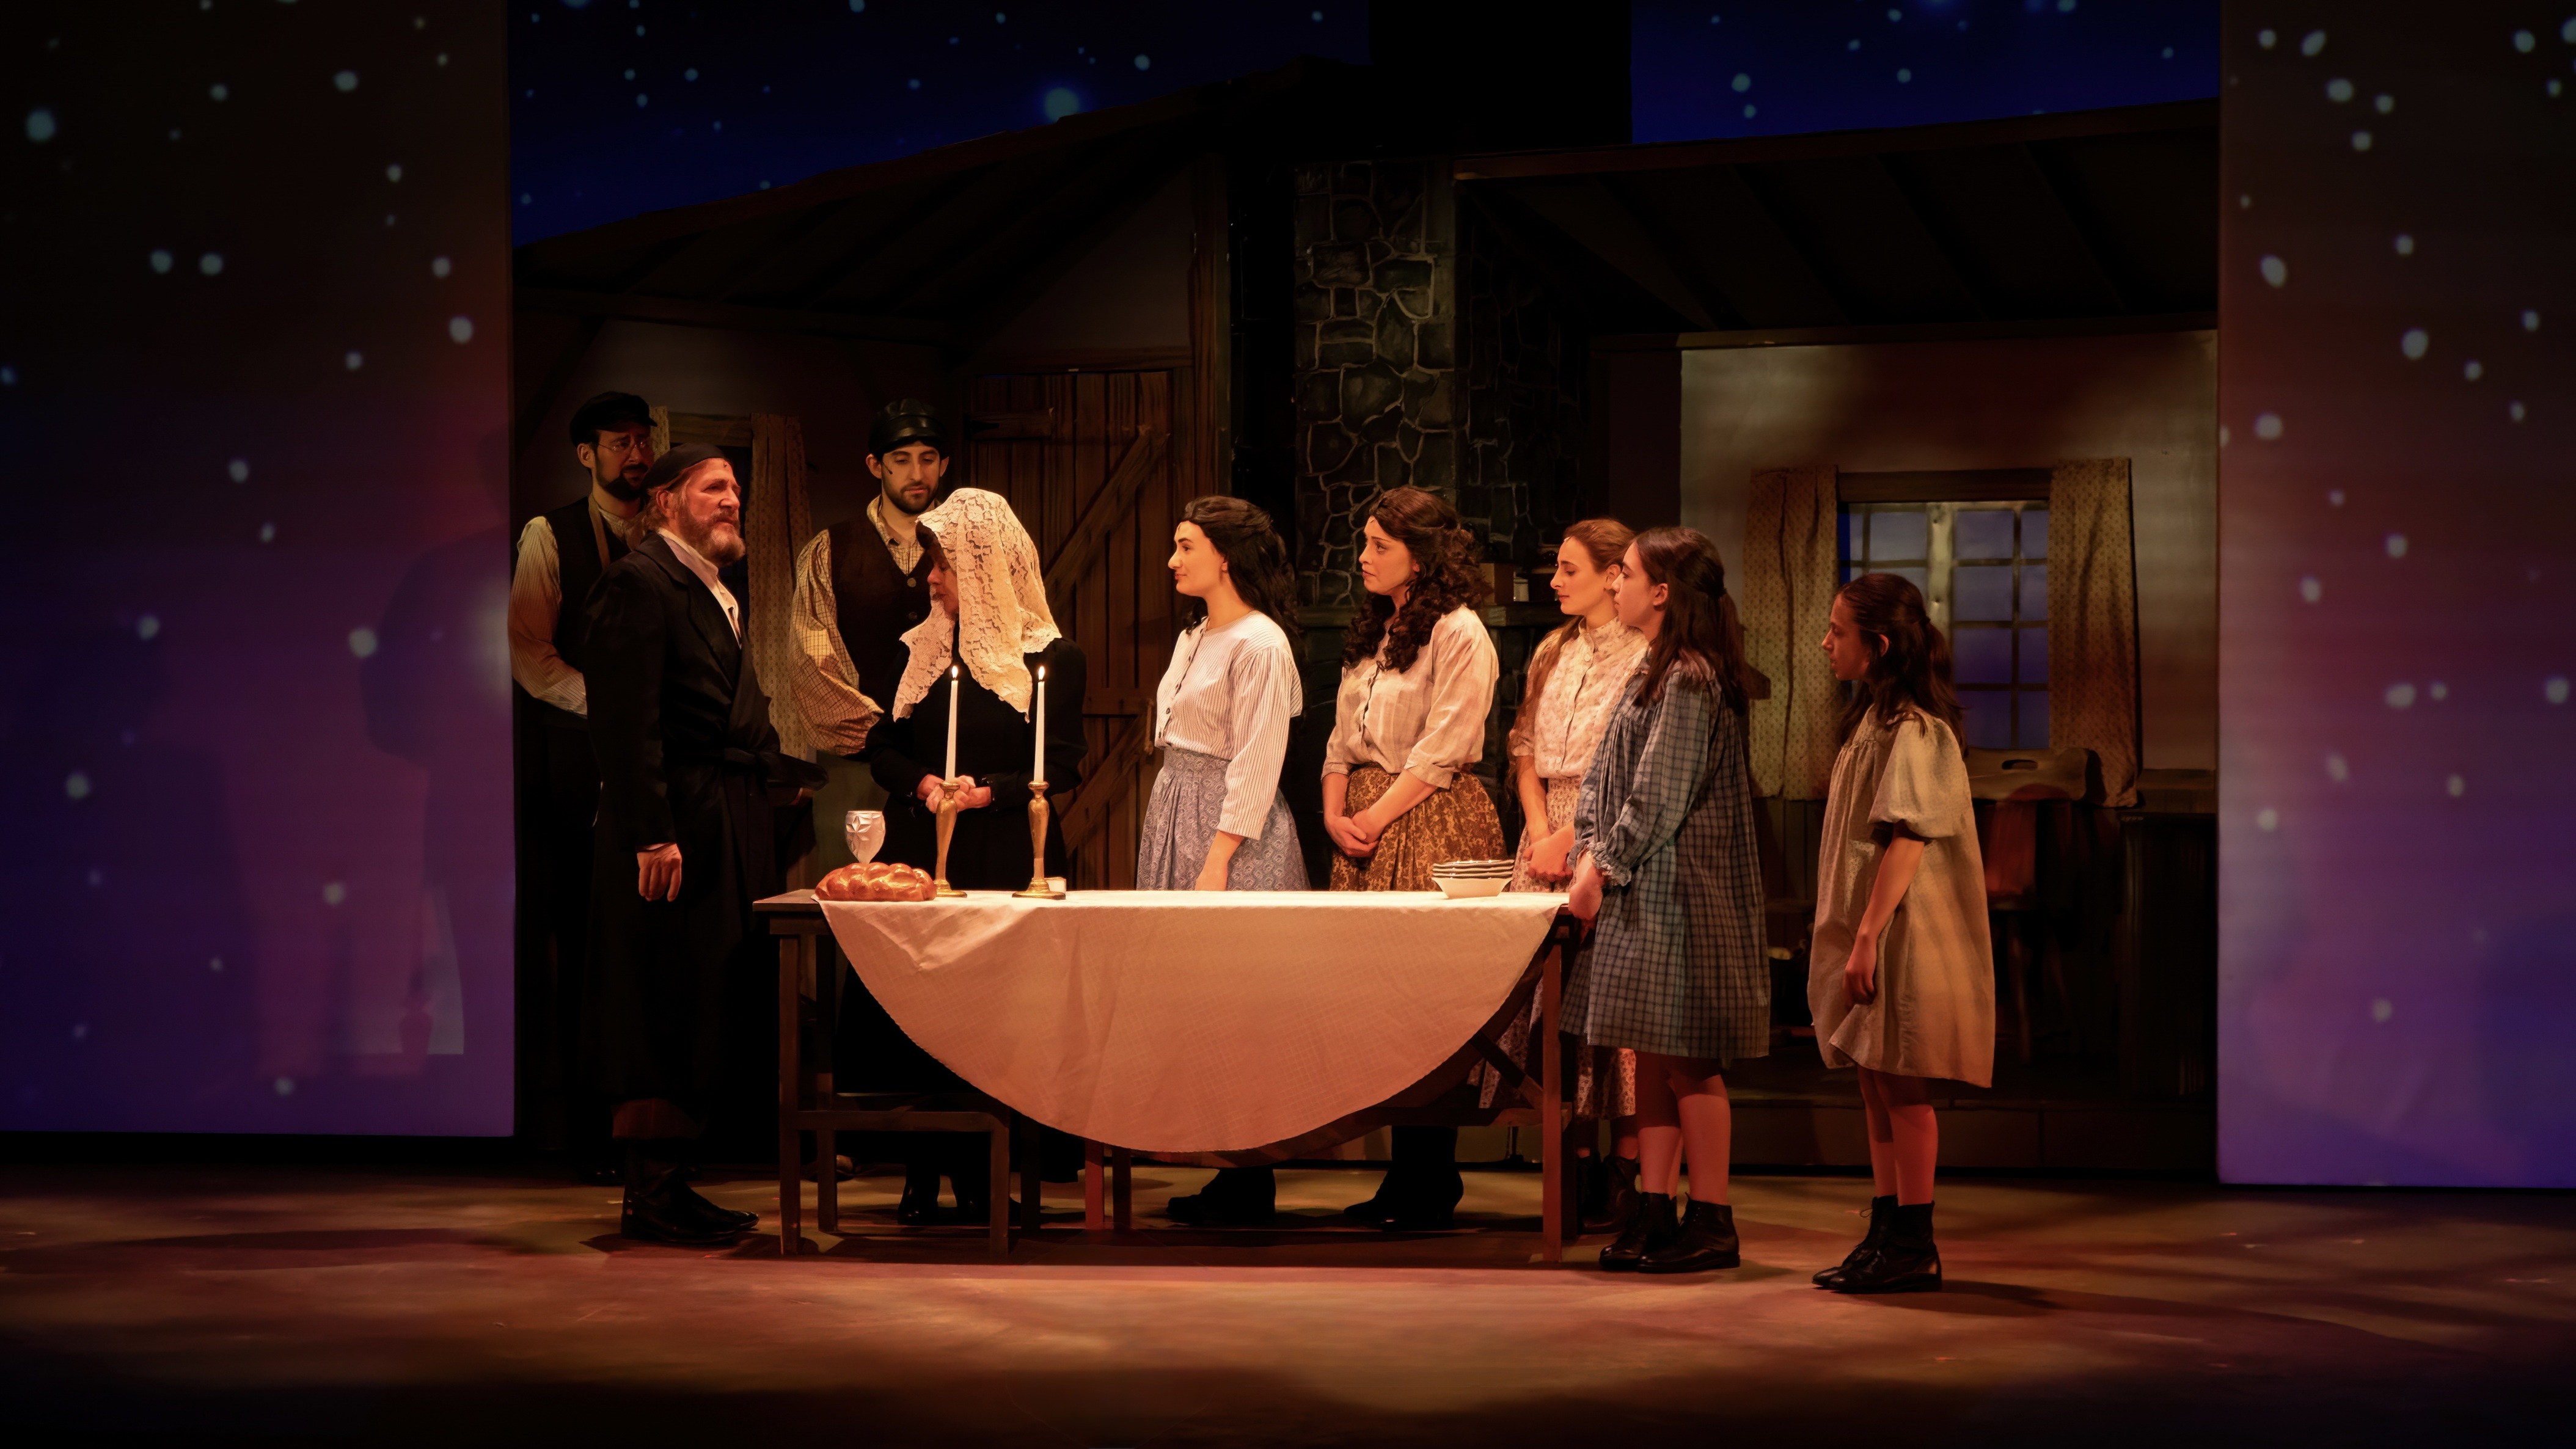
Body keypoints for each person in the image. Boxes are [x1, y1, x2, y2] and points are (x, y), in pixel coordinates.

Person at [584, 443, 822, 1244]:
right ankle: (651, 1193)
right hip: (675, 823)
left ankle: (673, 1183)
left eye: (736, 488)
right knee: (665, 995)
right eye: (713, 487)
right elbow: (625, 720)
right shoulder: (640, 583)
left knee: (708, 995)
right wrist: (652, 831)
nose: (732, 499)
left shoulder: (712, 588)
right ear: (665, 502)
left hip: (721, 814)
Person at [862, 486, 1088, 1223]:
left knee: (998, 1017)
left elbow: (1062, 760)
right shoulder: (918, 650)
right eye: (930, 564)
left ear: (985, 567)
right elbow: (883, 745)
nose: (930, 579)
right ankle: (922, 1171)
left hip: (1007, 851)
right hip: (925, 848)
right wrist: (926, 783)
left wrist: (989, 791)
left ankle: (988, 1175)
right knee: (920, 1011)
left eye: (944, 565)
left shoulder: (1051, 657)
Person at [1563, 526, 1770, 1274]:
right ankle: (1654, 1207)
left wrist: (1602, 865)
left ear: (1661, 592)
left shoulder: (1689, 677)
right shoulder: (1650, 669)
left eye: (1624, 573)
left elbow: (1657, 794)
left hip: (1681, 891)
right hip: (1642, 886)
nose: (1614, 584)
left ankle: (1711, 1217)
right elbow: (1602, 776)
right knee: (1650, 1053)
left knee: (1687, 1058)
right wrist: (1589, 844)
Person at [1323, 485, 1507, 1231]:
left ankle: (1431, 1173)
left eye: (1380, 545)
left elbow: (1443, 746)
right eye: (1364, 543)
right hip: (1364, 824)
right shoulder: (1376, 629)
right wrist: (1333, 811)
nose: (1363, 557)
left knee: (1426, 996)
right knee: (1376, 1002)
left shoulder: (1459, 632)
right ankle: (1404, 1173)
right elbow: (1340, 739)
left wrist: (1372, 815)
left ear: (1421, 557)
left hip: (1427, 817)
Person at [1806, 571, 1993, 1294]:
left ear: (1878, 644)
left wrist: (1867, 936)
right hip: (1871, 922)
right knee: (1874, 1078)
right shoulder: (1874, 723)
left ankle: (1914, 1238)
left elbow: (1909, 838)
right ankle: (1885, 1228)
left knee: (1901, 1083)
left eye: (1838, 631)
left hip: (1899, 926)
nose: (1827, 642)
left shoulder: (1917, 729)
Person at [1140, 496, 1309, 1228]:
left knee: (1241, 1002)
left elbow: (1257, 761)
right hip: (1178, 808)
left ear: (1226, 556)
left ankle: (1252, 1173)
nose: (1173, 560)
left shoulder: (1260, 644)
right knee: (1194, 1001)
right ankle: (1223, 1164)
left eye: (1186, 546)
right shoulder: (1194, 634)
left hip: (1231, 830)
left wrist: (1217, 859)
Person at [507, 390, 655, 1183]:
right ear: (586, 454)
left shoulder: (667, 531)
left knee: (652, 948)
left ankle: (654, 1132)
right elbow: (529, 653)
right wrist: (607, 705)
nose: (635, 453)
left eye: (642, 439)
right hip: (575, 763)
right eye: (618, 442)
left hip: (657, 764)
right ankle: (588, 1133)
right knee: (584, 944)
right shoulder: (551, 533)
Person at [1485, 518, 1649, 1234]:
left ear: (1614, 576)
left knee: (1614, 1008)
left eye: (1568, 569)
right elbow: (1523, 746)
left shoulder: (1645, 655)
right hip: (1543, 836)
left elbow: (1634, 766)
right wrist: (1539, 831)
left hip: (1605, 832)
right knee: (1556, 1010)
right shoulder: (1553, 648)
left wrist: (1576, 838)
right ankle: (1573, 1161)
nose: (1554, 581)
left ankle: (1626, 1168)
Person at [783, 398, 949, 757]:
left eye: (928, 459)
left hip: (956, 755)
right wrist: (881, 740)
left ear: (944, 464)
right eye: (901, 460)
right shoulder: (830, 550)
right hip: (862, 756)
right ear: (876, 466)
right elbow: (813, 664)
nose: (917, 474)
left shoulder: (970, 546)